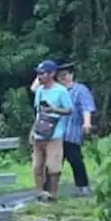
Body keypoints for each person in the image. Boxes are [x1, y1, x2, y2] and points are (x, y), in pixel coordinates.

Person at [29, 59, 73, 201]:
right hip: (39, 132)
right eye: (38, 74)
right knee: (37, 165)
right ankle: (40, 192)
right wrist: (32, 130)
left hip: (55, 133)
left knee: (53, 166)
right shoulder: (39, 91)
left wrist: (53, 110)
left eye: (42, 74)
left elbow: (69, 110)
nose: (39, 77)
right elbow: (38, 113)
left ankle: (53, 193)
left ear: (52, 74)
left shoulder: (61, 91)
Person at [57, 66, 97, 196]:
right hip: (56, 132)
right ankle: (50, 188)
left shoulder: (80, 90)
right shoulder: (56, 90)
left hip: (72, 131)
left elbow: (87, 107)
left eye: (65, 75)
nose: (63, 78)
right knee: (55, 161)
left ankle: (83, 186)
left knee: (75, 159)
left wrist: (87, 122)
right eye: (60, 76)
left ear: (71, 75)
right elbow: (35, 89)